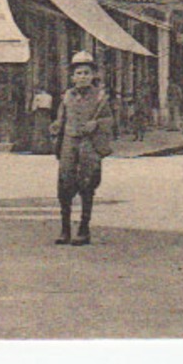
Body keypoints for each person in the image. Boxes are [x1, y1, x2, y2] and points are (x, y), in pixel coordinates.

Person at [50, 51, 114, 245]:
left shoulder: (100, 98)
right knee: (65, 185)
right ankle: (65, 229)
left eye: (86, 72)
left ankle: (84, 228)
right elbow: (61, 120)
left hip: (89, 144)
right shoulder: (67, 97)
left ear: (93, 75)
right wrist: (55, 130)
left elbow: (110, 120)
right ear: (72, 77)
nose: (82, 77)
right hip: (69, 143)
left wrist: (98, 125)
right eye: (78, 73)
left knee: (87, 184)